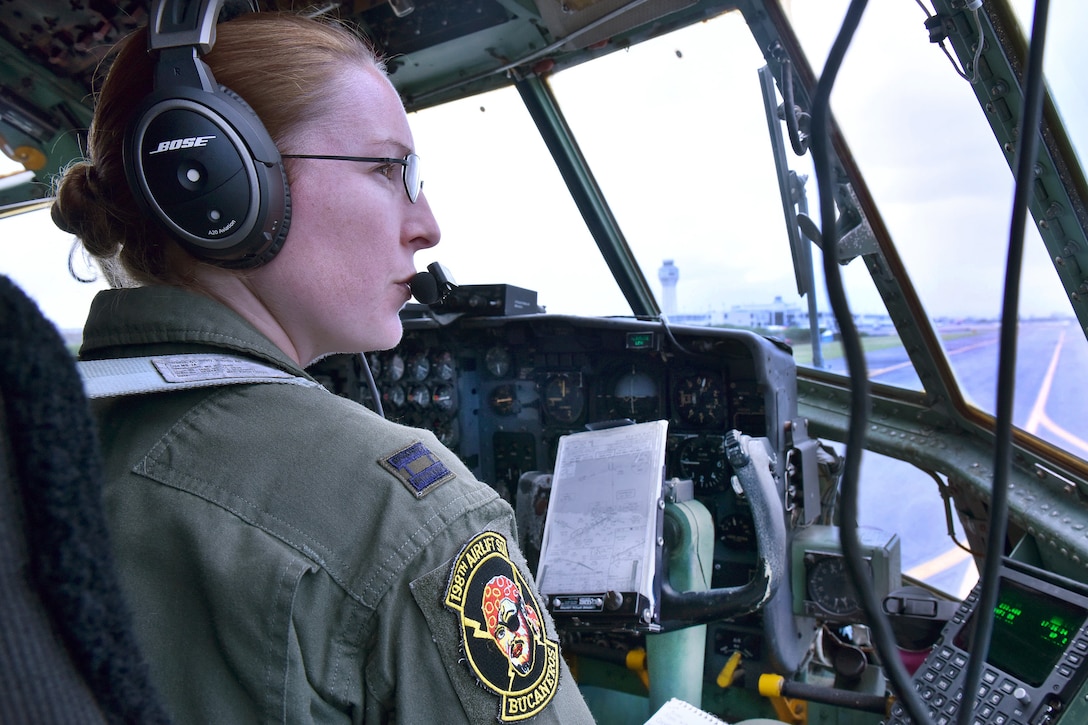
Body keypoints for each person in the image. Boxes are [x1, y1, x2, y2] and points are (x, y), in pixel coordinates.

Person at [50, 10, 595, 724]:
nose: (428, 223)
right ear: (217, 179)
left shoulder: (38, 432)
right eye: (386, 168)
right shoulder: (406, 516)